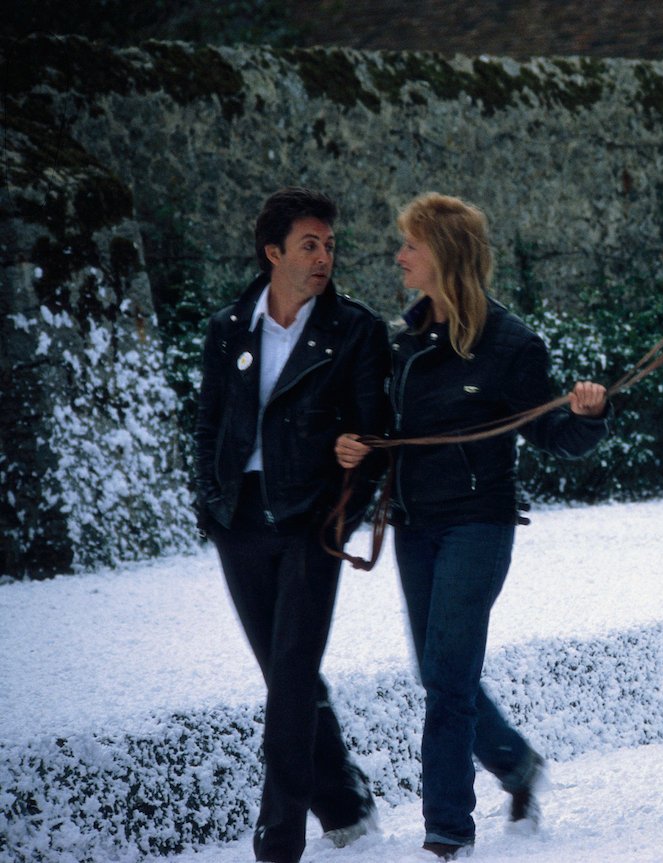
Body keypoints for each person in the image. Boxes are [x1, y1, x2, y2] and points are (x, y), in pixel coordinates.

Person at [335, 193, 610, 859]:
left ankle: (447, 832)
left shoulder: (511, 344)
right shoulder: (401, 340)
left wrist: (589, 412)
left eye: (410, 245)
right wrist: (361, 447)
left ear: (445, 255)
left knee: (448, 678)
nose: (398, 256)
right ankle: (517, 766)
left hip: (477, 526)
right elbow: (389, 429)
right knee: (439, 672)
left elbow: (553, 433)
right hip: (413, 525)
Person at [194, 187, 389, 863]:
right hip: (239, 521)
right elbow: (208, 423)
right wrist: (212, 508)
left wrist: (341, 517)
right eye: (310, 245)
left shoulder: (356, 331)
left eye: (330, 245)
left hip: (313, 521)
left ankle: (279, 840)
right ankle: (344, 802)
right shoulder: (229, 328)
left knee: (294, 674)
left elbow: (373, 437)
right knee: (285, 674)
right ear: (273, 252)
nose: (324, 257)